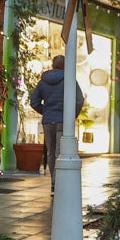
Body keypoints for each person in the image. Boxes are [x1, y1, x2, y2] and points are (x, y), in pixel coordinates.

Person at [29, 54, 84, 192]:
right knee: (61, 151)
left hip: (48, 121)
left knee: (51, 152)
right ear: (65, 65)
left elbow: (34, 101)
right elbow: (79, 100)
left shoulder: (43, 81)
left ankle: (53, 183)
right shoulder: (69, 80)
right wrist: (71, 115)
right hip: (62, 120)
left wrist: (45, 111)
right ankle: (59, 182)